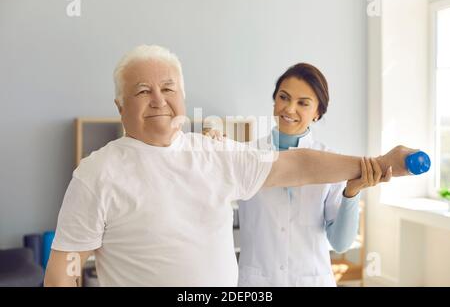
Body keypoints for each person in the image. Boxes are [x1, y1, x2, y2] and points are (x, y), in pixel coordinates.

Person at [44, 45, 416, 287]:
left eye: (168, 88)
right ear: (121, 106)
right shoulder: (97, 173)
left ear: (183, 97)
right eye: (142, 91)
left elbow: (300, 165)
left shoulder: (217, 155)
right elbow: (65, 267)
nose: (158, 100)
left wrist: (379, 163)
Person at [231, 63, 385, 287]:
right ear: (275, 101)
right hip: (258, 283)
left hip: (311, 280)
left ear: (318, 112)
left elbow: (340, 243)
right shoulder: (246, 156)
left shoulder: (331, 162)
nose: (289, 109)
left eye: (303, 103)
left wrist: (352, 192)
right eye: (284, 97)